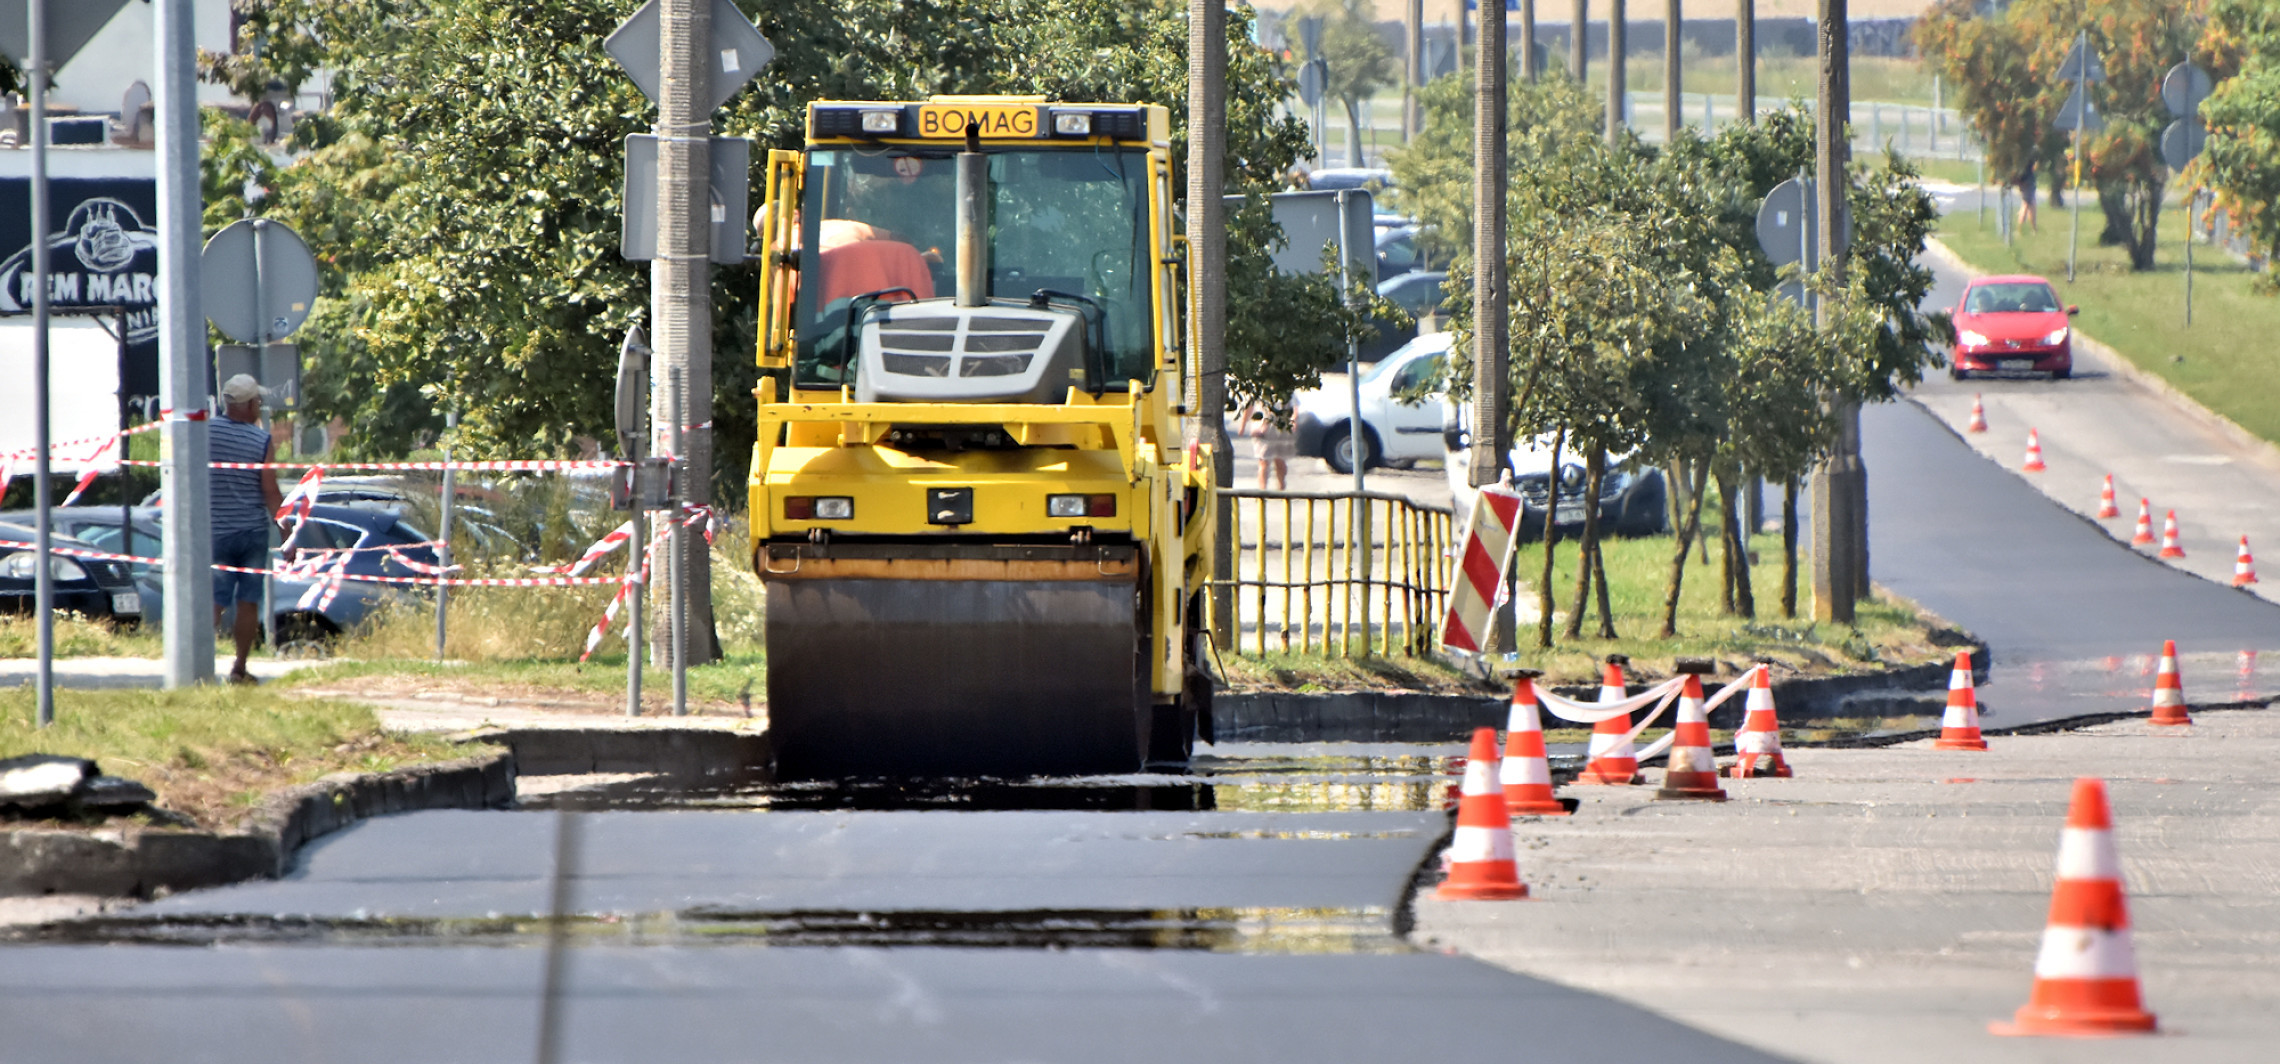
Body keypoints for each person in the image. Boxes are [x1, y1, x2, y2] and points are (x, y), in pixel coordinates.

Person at [210, 374, 286, 684]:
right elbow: (270, 491)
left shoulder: (204, 432)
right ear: (249, 404)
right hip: (252, 533)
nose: (259, 406)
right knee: (248, 601)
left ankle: (199, 662)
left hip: (214, 530)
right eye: (257, 401)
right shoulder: (261, 440)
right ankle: (239, 667)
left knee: (215, 598)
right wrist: (285, 531)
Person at [1238, 399, 1295, 491]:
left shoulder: (1284, 390)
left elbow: (1293, 407)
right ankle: (1262, 490)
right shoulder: (1259, 389)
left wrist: (1293, 423)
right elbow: (1250, 405)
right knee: (1263, 461)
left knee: (1279, 461)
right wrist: (1243, 424)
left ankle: (1281, 488)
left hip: (1280, 429)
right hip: (1261, 430)